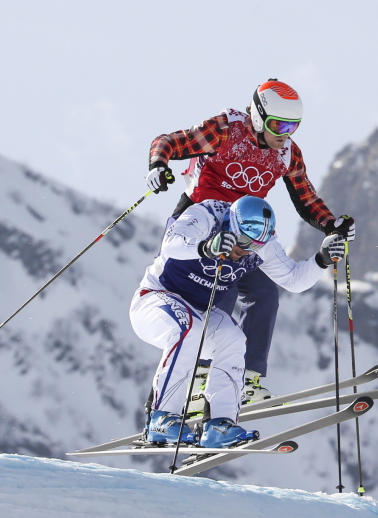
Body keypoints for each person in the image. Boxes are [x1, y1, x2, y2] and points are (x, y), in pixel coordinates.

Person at [144, 79, 355, 404]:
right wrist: (158, 165)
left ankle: (248, 380)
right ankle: (198, 381)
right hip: (201, 227)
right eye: (278, 124)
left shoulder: (286, 152)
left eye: (292, 126)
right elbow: (170, 142)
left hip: (246, 232)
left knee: (265, 293)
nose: (284, 133)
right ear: (258, 116)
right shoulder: (226, 130)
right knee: (222, 290)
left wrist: (332, 225)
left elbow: (305, 197)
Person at [130, 195, 346, 447]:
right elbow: (171, 243)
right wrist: (205, 246)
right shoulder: (206, 215)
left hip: (200, 312)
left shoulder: (261, 245)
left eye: (254, 245)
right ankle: (160, 418)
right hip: (156, 300)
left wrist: (322, 259)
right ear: (231, 222)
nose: (245, 249)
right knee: (189, 329)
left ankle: (219, 425)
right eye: (242, 240)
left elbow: (293, 280)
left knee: (233, 339)